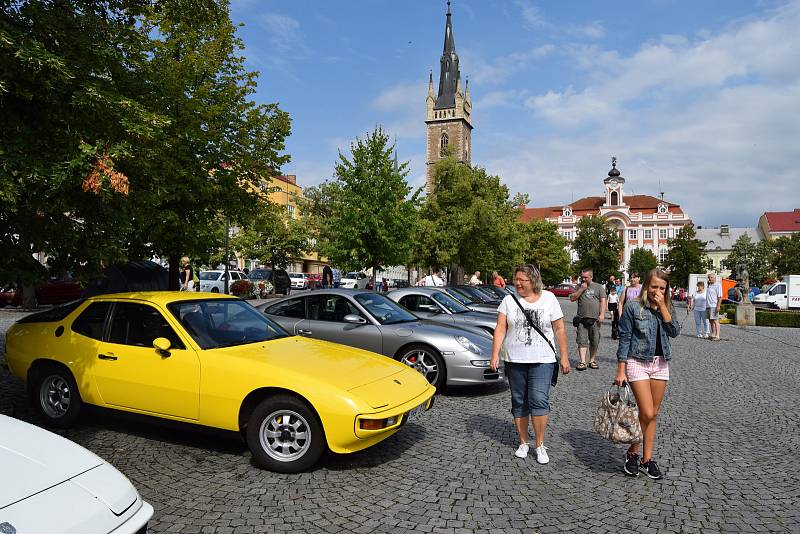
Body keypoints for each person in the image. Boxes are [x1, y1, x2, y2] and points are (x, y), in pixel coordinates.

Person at [490, 264, 570, 462]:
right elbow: (500, 328)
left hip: (543, 359)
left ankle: (540, 444)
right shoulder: (508, 300)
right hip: (515, 358)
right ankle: (523, 442)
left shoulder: (549, 298)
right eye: (516, 279)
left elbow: (559, 328)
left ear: (533, 281)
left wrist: (565, 356)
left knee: (539, 399)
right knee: (519, 401)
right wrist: (495, 354)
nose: (517, 283)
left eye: (522, 280)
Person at [614, 269, 681, 480]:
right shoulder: (634, 308)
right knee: (647, 411)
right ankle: (632, 453)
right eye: (654, 287)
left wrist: (662, 306)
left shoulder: (667, 306)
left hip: (660, 364)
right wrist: (621, 369)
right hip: (637, 362)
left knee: (653, 414)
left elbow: (674, 332)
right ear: (646, 286)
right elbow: (624, 338)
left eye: (662, 288)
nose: (657, 291)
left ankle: (646, 459)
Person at [569, 268, 607, 370]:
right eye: (582, 277)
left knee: (595, 341)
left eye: (586, 277)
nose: (584, 279)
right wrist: (581, 289)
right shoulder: (578, 286)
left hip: (595, 319)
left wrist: (602, 314)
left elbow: (603, 301)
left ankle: (592, 360)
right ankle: (582, 362)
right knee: (582, 340)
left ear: (591, 276)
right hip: (581, 319)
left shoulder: (598, 287)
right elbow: (572, 298)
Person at [705, 272, 723, 341]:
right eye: (709, 277)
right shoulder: (709, 285)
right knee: (711, 321)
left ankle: (717, 336)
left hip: (714, 305)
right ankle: (713, 334)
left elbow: (720, 297)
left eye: (711, 277)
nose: (709, 279)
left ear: (715, 278)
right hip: (708, 305)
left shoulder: (718, 285)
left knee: (715, 321)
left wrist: (718, 306)